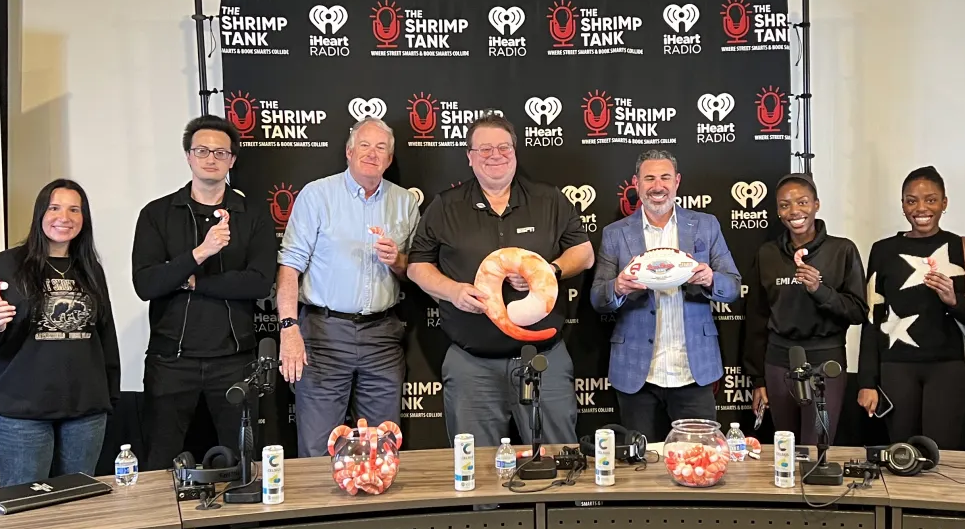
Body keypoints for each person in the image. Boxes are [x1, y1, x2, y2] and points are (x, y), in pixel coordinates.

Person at [407, 113, 594, 446]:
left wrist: (549, 271)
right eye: (484, 149)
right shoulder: (445, 206)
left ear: (516, 151)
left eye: (503, 147)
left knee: (558, 458)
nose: (495, 155)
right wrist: (452, 291)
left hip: (542, 358)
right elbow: (417, 267)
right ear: (469, 156)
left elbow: (584, 254)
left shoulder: (548, 199)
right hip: (472, 364)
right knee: (476, 472)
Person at [132, 115, 277, 469]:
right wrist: (202, 252)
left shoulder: (253, 215)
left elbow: (258, 283)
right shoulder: (157, 214)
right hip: (171, 361)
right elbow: (147, 284)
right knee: (160, 460)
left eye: (220, 152)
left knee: (240, 461)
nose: (210, 158)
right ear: (188, 156)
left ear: (232, 160)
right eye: (202, 150)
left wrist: (193, 281)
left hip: (234, 360)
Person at [0, 179, 118, 486]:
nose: (64, 217)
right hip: (20, 414)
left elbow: (105, 335)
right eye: (55, 208)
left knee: (77, 507)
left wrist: (109, 396)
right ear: (40, 213)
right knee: (25, 512)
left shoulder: (90, 268)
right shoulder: (4, 266)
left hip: (85, 413)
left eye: (74, 209)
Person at [277, 119, 418, 457]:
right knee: (317, 449)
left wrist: (398, 260)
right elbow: (289, 266)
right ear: (349, 152)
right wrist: (288, 328)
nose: (372, 153)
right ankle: (320, 512)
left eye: (381, 148)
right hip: (324, 334)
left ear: (389, 158)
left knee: (383, 447)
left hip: (382, 336)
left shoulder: (404, 202)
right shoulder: (317, 195)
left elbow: (412, 271)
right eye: (365, 145)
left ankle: (377, 510)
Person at [590, 149, 743, 441]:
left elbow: (733, 286)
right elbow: (598, 298)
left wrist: (711, 279)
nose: (657, 186)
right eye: (649, 178)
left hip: (692, 370)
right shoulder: (615, 233)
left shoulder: (705, 225)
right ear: (636, 183)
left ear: (677, 182)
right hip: (636, 372)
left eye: (664, 177)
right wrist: (618, 287)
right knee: (638, 467)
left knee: (699, 461)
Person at [856, 166, 965, 449]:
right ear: (903, 205)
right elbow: (872, 318)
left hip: (948, 367)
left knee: (941, 451)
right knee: (901, 453)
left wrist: (954, 300)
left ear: (944, 203)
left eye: (930, 199)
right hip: (896, 366)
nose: (921, 208)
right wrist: (866, 381)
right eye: (911, 200)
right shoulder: (883, 250)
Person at [744, 173, 867, 447]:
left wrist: (820, 291)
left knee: (816, 450)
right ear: (778, 211)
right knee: (786, 449)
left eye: (802, 202)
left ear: (816, 205)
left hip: (826, 360)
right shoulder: (767, 254)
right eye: (785, 205)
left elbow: (858, 311)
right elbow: (756, 318)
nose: (795, 211)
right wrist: (758, 379)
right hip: (778, 362)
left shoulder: (842, 250)